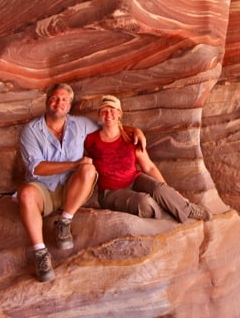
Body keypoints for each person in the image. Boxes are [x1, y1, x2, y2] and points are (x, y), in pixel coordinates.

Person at [18, 83, 146, 283]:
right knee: (25, 193)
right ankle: (40, 254)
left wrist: (134, 129)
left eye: (64, 100)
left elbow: (110, 125)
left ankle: (64, 222)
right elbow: (36, 168)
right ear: (47, 102)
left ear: (69, 105)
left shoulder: (80, 124)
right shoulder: (31, 130)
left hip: (72, 189)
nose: (59, 103)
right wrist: (73, 163)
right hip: (43, 188)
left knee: (88, 169)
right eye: (54, 98)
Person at [84, 95, 212, 226]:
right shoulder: (90, 140)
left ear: (119, 113)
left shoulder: (131, 138)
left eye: (112, 110)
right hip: (110, 192)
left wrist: (169, 192)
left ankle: (188, 209)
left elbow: (149, 167)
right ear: (99, 115)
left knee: (160, 190)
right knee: (144, 202)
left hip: (134, 180)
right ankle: (169, 211)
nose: (108, 114)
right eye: (104, 111)